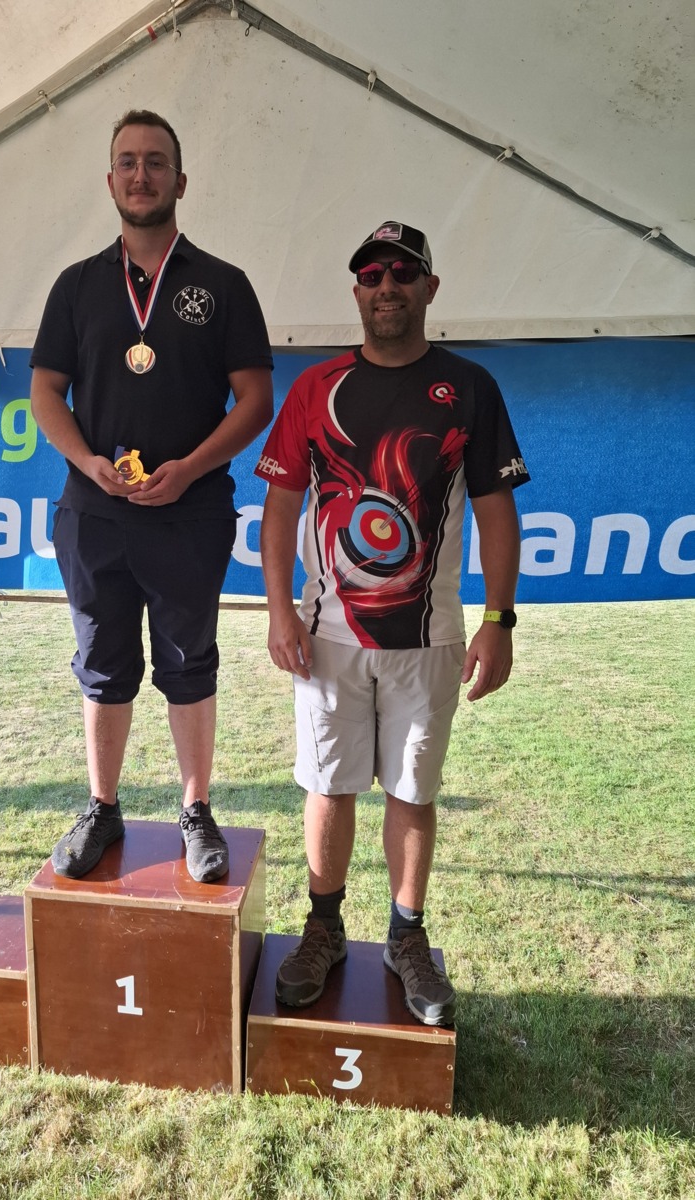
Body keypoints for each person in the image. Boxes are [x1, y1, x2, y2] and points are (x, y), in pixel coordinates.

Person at [255, 220, 529, 1024]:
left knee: (413, 791)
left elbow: (497, 510)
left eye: (403, 274)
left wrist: (500, 619)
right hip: (327, 638)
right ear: (357, 291)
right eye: (373, 275)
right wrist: (279, 610)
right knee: (328, 785)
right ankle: (324, 928)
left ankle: (407, 937)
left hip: (429, 639)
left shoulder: (469, 386)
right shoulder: (316, 387)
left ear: (429, 289)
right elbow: (279, 507)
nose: (387, 287)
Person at [30, 110, 273, 883]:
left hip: (189, 513)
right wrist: (87, 461)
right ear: (110, 180)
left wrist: (191, 468)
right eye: (129, 162)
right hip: (94, 512)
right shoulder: (76, 286)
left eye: (156, 162)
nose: (142, 175)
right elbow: (45, 393)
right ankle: (102, 807)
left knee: (188, 662)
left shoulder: (223, 285)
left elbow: (255, 401)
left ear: (180, 180)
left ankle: (195, 811)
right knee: (102, 663)